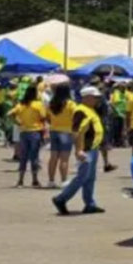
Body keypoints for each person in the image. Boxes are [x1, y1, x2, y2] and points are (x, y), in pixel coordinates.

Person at [52, 86, 107, 216]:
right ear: (86, 98)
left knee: (90, 178)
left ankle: (89, 204)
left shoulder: (90, 109)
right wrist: (79, 150)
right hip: (86, 149)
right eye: (95, 97)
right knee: (82, 176)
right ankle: (61, 199)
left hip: (92, 148)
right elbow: (75, 132)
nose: (97, 99)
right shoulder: (81, 111)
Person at [9, 84, 48, 188]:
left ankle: (20, 180)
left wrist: (17, 122)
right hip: (35, 132)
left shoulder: (21, 104)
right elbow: (43, 117)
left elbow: (10, 113)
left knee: (23, 157)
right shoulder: (38, 104)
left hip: (24, 132)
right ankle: (34, 180)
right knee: (34, 157)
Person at [47, 82, 76, 189]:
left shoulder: (51, 103)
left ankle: (51, 181)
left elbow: (47, 117)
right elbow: (76, 118)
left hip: (54, 130)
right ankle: (64, 180)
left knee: (53, 157)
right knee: (64, 158)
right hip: (66, 131)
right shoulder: (71, 104)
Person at [109, 82, 128, 148]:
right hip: (117, 114)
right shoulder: (116, 93)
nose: (124, 88)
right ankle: (116, 142)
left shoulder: (124, 93)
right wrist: (117, 112)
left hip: (123, 114)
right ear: (119, 87)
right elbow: (112, 104)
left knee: (121, 129)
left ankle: (120, 142)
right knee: (116, 129)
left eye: (124, 87)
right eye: (122, 87)